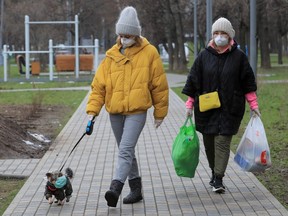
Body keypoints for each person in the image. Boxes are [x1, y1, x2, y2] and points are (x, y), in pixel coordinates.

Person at [85, 6, 169, 207]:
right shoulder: (111, 56)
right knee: (126, 150)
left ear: (136, 34)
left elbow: (159, 85)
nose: (124, 38)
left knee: (125, 149)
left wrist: (160, 113)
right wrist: (92, 112)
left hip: (137, 111)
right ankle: (136, 189)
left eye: (128, 35)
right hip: (115, 112)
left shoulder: (149, 53)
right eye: (121, 35)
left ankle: (115, 187)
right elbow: (98, 87)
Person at [182, 17, 260, 194]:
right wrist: (189, 104)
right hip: (207, 110)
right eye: (216, 33)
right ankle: (213, 171)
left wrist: (253, 105)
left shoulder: (239, 57)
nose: (219, 36)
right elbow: (193, 80)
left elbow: (247, 82)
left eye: (223, 33)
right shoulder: (203, 56)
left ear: (230, 36)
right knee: (209, 144)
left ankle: (218, 178)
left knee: (222, 143)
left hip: (230, 108)